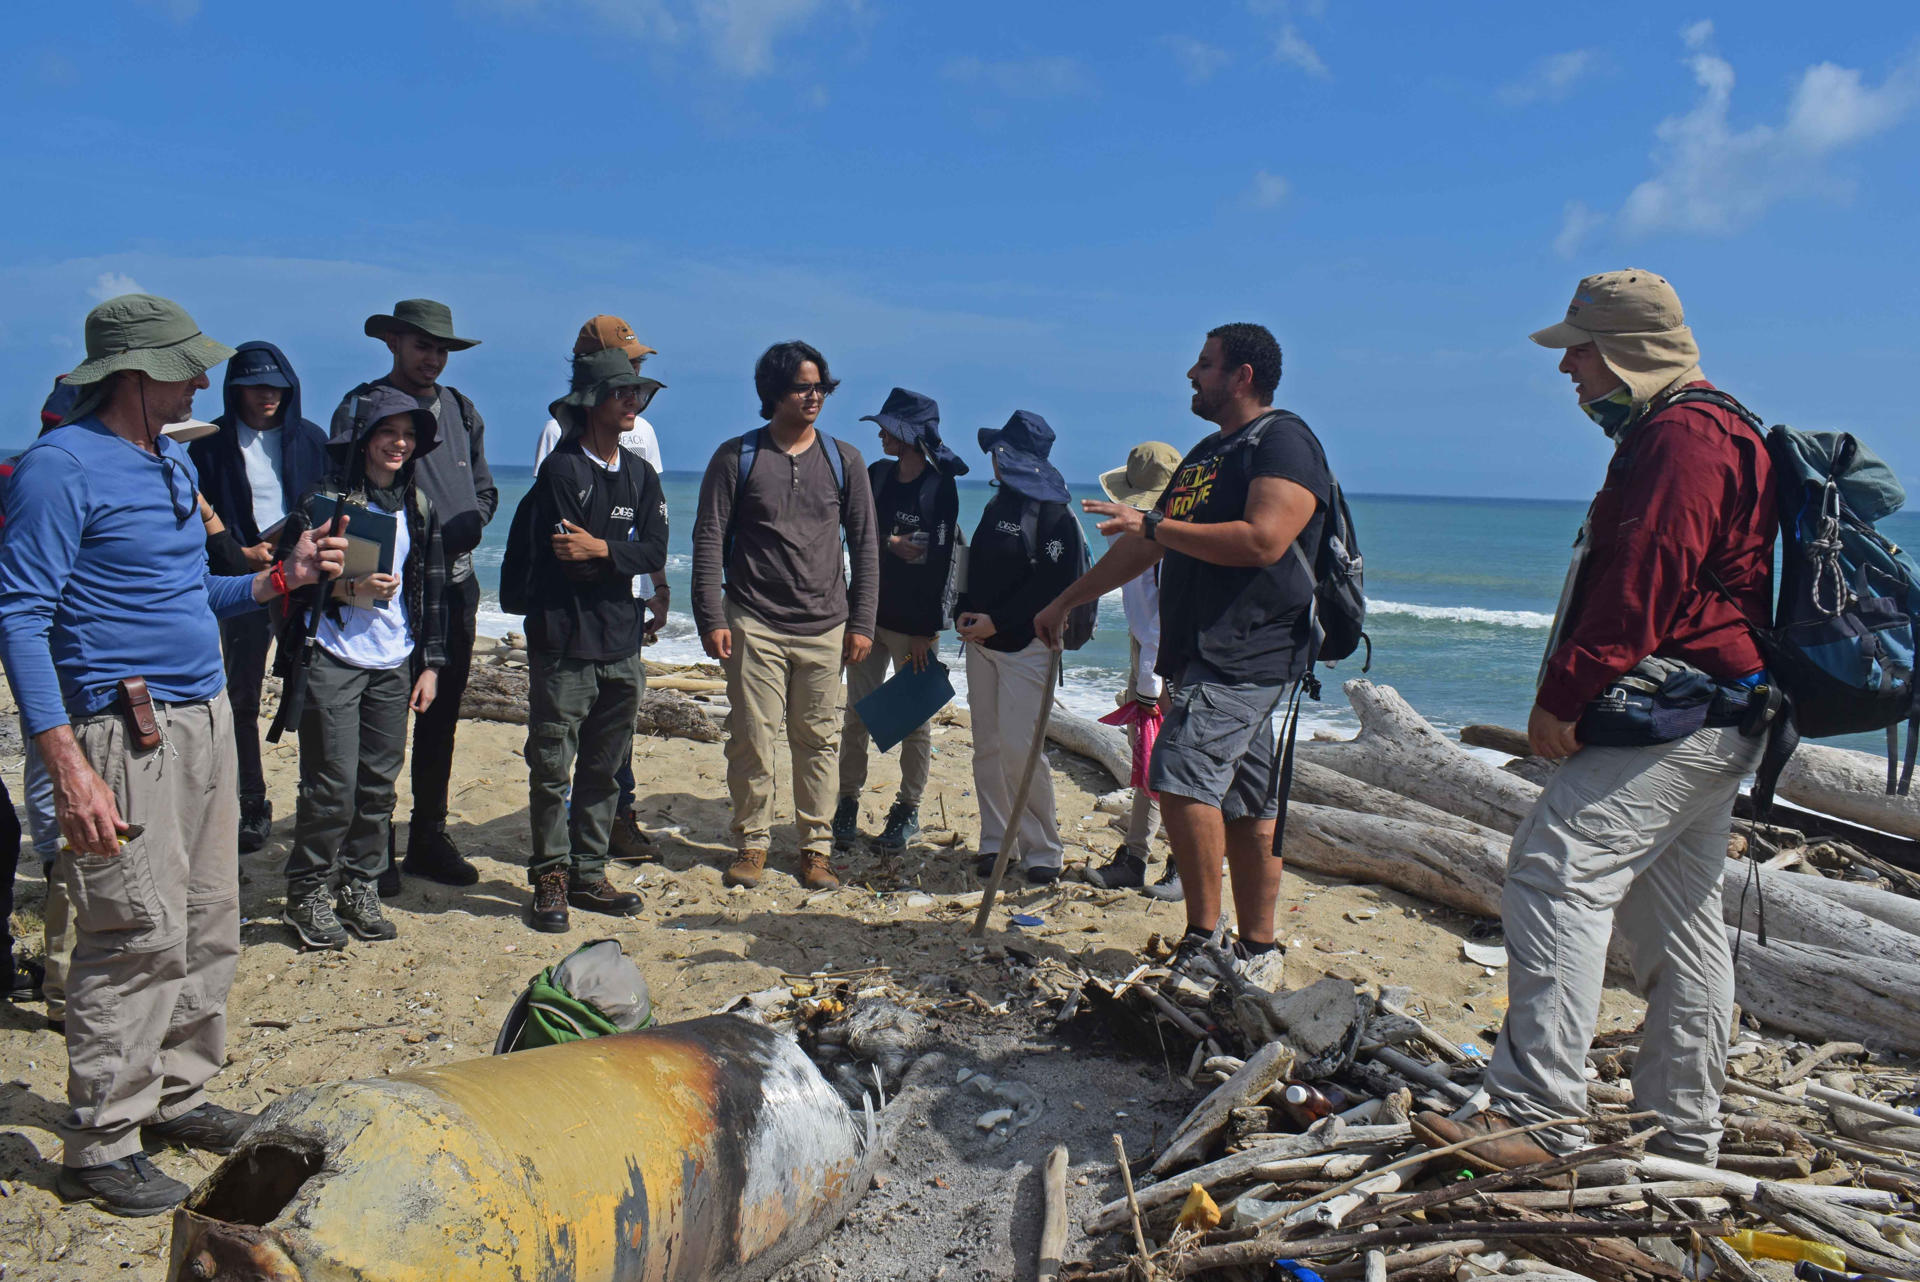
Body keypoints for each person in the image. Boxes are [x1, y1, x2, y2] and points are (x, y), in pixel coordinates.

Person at [1413, 271, 1777, 1170]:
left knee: (1554, 873)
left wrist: (1564, 695)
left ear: (1625, 352)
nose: (1568, 366)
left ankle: (1537, 1114)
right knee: (1683, 923)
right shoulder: (1711, 425)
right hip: (1720, 708)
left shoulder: (1684, 435)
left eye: (1581, 347)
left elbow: (1644, 578)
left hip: (1684, 709)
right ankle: (1682, 1140)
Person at [0, 293, 344, 1215]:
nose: (204, 379)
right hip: (122, 731)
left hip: (202, 722)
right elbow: (22, 620)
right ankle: (101, 1142)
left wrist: (281, 578)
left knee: (207, 916)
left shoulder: (168, 460)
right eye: (187, 365)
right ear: (135, 374)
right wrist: (67, 763)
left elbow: (196, 597)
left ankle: (175, 1098)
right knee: (132, 934)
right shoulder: (57, 469)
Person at [1034, 323, 1329, 971]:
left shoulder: (1283, 442)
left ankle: (1203, 941)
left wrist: (1156, 523)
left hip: (1251, 649)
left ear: (1242, 376)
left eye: (1204, 364)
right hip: (1205, 653)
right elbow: (1147, 542)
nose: (1192, 375)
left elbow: (1265, 539)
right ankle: (1258, 946)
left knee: (1182, 778)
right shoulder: (1205, 454)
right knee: (1250, 802)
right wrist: (1069, 600)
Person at [692, 341, 878, 892]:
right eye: (803, 386)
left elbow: (865, 546)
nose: (815, 395)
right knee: (751, 736)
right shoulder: (737, 456)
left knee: (818, 740)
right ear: (774, 392)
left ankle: (815, 850)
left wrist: (862, 622)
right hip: (754, 620)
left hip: (826, 626)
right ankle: (752, 843)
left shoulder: (845, 460)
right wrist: (710, 616)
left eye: (821, 385)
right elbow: (708, 538)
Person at [332, 299, 495, 892]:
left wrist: (470, 523)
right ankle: (370, 848)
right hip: (381, 589)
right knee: (371, 720)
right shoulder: (361, 405)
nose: (433, 358)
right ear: (394, 343)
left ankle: (428, 835)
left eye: (442, 348)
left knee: (440, 719)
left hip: (453, 588)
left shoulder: (462, 409)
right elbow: (340, 491)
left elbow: (484, 489)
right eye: (422, 345)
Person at [279, 387, 448, 950]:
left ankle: (359, 886)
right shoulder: (321, 503)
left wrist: (431, 664)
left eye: (408, 435)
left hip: (394, 662)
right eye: (387, 433)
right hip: (332, 656)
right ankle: (305, 893)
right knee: (332, 786)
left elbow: (433, 593)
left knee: (377, 787)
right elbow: (290, 587)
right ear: (365, 440)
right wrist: (348, 589)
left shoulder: (418, 508)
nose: (399, 444)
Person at [523, 347, 669, 932]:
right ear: (591, 404)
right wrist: (614, 555)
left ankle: (588, 872)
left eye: (639, 393)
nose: (634, 401)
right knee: (552, 766)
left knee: (605, 770)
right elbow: (568, 564)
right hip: (564, 643)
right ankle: (551, 877)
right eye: (623, 393)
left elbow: (655, 551)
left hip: (623, 641)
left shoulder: (642, 473)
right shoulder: (561, 470)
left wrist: (604, 549)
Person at [189, 343, 331, 853]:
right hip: (240, 580)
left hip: (304, 581)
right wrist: (238, 552)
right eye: (255, 384)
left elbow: (327, 505)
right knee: (241, 694)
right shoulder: (208, 444)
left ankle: (318, 798)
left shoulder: (312, 439)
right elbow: (195, 513)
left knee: (315, 691)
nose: (267, 394)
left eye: (275, 384)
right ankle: (251, 801)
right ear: (235, 389)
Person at [955, 411, 1086, 886]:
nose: (991, 458)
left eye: (997, 451)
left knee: (1020, 749)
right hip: (983, 645)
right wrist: (965, 611)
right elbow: (983, 569)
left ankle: (1043, 849)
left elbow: (1056, 591)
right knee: (987, 747)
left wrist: (999, 621)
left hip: (1029, 647)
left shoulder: (1056, 515)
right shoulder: (998, 504)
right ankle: (997, 841)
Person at [834, 388, 966, 853]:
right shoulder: (877, 474)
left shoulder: (939, 486)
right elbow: (856, 533)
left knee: (914, 722)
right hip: (868, 617)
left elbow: (944, 560)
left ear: (909, 435)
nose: (880, 434)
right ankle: (846, 801)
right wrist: (892, 544)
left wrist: (926, 632)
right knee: (856, 716)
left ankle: (907, 810)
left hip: (915, 627)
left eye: (888, 428)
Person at [1083, 441, 1181, 894]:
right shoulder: (1170, 531)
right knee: (1154, 763)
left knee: (1167, 765)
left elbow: (1156, 617)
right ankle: (1138, 856)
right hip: (1160, 656)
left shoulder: (1156, 541)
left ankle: (1174, 861)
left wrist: (1147, 685)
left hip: (1164, 663)